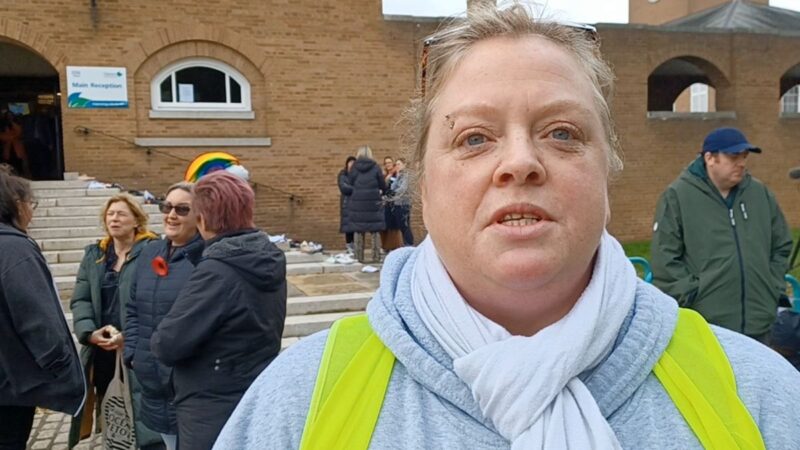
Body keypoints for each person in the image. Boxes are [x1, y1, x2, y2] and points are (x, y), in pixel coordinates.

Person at [214, 4, 800, 449]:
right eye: (474, 138)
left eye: (562, 132)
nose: (519, 161)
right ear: (423, 179)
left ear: (608, 167)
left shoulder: (760, 397)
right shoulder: (296, 406)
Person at [150, 171, 287, 450]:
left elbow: (167, 344)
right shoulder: (266, 256)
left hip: (211, 404)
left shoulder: (219, 270)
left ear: (202, 219)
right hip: (253, 389)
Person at [651, 127, 792, 343]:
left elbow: (782, 244)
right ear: (710, 158)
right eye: (733, 156)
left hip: (759, 323)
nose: (742, 163)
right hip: (709, 326)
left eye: (744, 157)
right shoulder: (678, 196)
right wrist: (692, 294)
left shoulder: (759, 194)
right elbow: (665, 258)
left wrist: (771, 286)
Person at [69, 194, 162, 449]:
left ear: (136, 220)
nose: (114, 219)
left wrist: (130, 336)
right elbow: (81, 299)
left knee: (142, 405)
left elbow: (158, 300)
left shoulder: (153, 251)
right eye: (110, 214)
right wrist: (88, 332)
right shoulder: (95, 255)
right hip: (102, 347)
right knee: (110, 403)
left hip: (138, 346)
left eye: (121, 214)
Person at [0, 171, 85, 450]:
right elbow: (37, 319)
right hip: (9, 388)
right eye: (31, 205)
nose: (31, 214)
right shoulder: (14, 249)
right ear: (15, 203)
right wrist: (59, 368)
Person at [124, 182, 204, 450]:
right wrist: (134, 353)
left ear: (200, 215)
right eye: (166, 206)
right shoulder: (149, 251)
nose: (171, 215)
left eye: (182, 209)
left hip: (189, 382)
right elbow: (132, 306)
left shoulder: (207, 259)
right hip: (153, 379)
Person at [346, 145, 387, 262]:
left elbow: (350, 182)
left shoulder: (354, 168)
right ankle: (375, 256)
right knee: (375, 231)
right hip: (373, 202)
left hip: (358, 203)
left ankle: (359, 257)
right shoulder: (375, 167)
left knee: (358, 231)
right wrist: (382, 191)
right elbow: (382, 184)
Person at [391, 158, 414, 246]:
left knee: (405, 225)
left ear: (404, 165)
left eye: (399, 164)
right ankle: (406, 244)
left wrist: (394, 194)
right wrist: (397, 176)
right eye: (396, 164)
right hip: (397, 203)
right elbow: (392, 187)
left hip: (404, 204)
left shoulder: (407, 175)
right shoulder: (399, 175)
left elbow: (403, 189)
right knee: (401, 226)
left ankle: (409, 244)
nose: (397, 166)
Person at [338, 156, 356, 252]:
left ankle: (355, 246)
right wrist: (357, 189)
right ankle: (349, 246)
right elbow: (344, 188)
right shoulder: (342, 175)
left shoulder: (358, 175)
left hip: (357, 203)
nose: (352, 165)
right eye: (350, 163)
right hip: (347, 203)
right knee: (348, 225)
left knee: (356, 225)